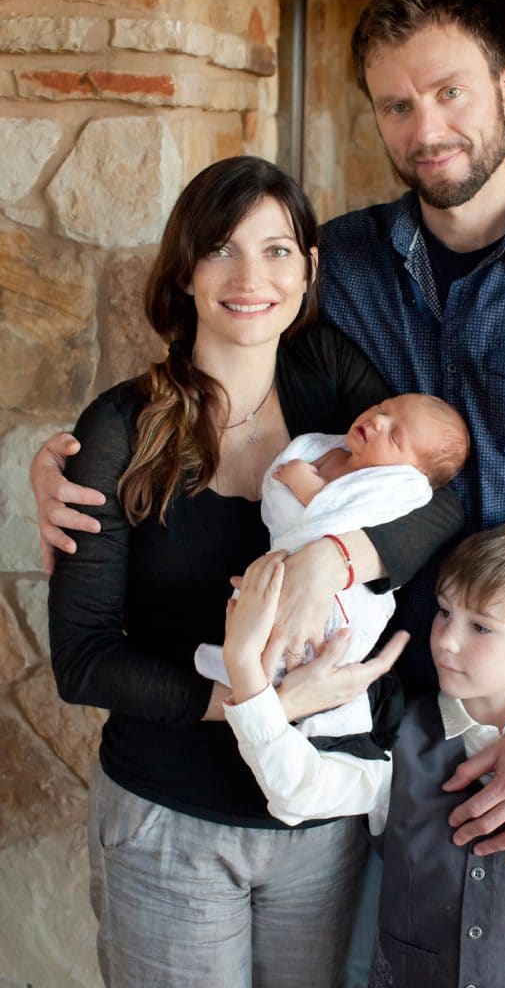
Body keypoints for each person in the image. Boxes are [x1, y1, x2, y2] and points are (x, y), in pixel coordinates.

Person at [33, 0, 505, 863]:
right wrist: (81, 456)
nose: (426, 129)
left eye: (449, 92)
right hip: (350, 700)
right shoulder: (337, 264)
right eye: (395, 106)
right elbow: (221, 370)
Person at [47, 155, 463, 988]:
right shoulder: (119, 429)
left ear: (308, 268)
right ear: (185, 270)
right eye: (222, 250)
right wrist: (256, 704)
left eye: (276, 251)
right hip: (170, 820)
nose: (251, 277)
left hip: (317, 825)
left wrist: (328, 559)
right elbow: (84, 659)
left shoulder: (330, 382)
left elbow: (435, 501)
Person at [218, 519, 505, 988]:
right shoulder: (398, 733)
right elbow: (298, 794)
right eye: (445, 612)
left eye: (481, 628)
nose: (446, 639)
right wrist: (248, 680)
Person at [195, 392, 469, 741]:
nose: (378, 421)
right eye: (382, 408)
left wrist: (300, 480)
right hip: (287, 551)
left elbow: (333, 511)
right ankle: (255, 676)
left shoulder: (395, 487)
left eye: (395, 437)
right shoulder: (329, 450)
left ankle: (279, 683)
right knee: (259, 607)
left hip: (348, 593)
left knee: (310, 627)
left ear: (410, 471)